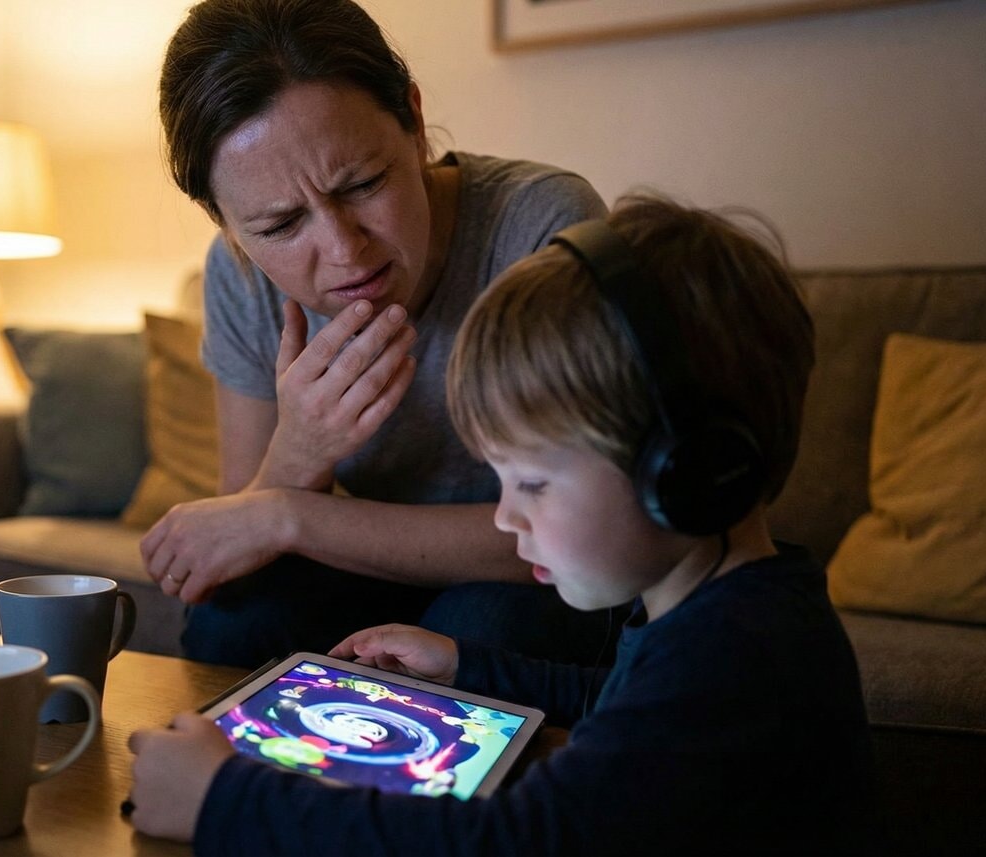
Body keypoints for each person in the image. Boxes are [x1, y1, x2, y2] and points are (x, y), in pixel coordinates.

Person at [126, 195, 879, 854]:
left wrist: (225, 798)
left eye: (533, 482)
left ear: (685, 470)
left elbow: (514, 841)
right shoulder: (721, 610)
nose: (506, 514)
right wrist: (468, 667)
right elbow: (612, 698)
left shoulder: (739, 658)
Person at [146, 0, 620, 668]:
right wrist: (297, 454)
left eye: (364, 183)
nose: (344, 249)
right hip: (358, 572)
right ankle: (229, 775)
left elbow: (582, 528)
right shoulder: (241, 276)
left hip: (533, 575)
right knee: (235, 620)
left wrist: (290, 514)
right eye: (280, 226)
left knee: (481, 624)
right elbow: (236, 548)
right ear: (225, 222)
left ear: (415, 122)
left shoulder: (542, 229)